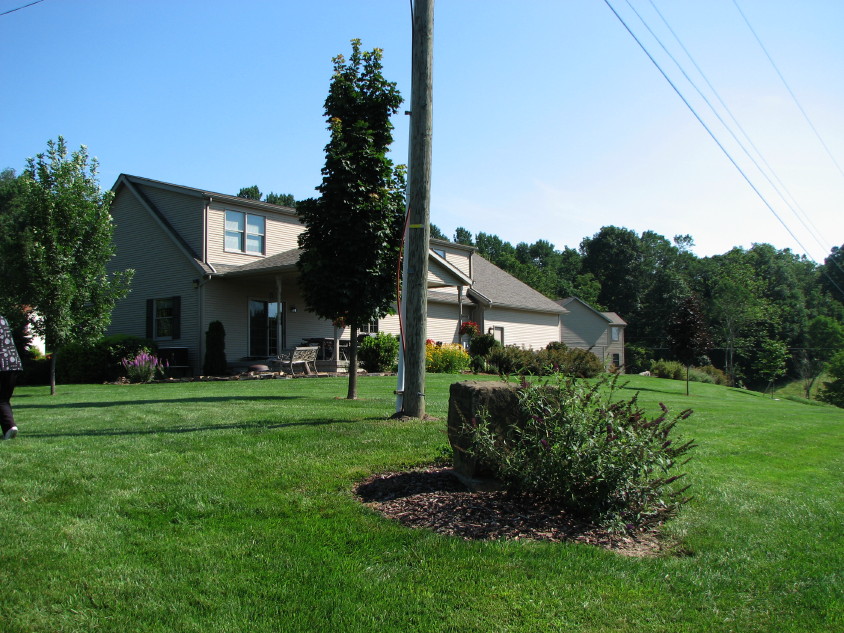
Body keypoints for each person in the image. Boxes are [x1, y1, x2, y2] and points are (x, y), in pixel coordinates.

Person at [0, 315, 23, 440]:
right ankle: (10, 427)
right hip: (13, 363)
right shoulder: (2, 318)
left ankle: (10, 427)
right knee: (3, 399)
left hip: (1, 364)